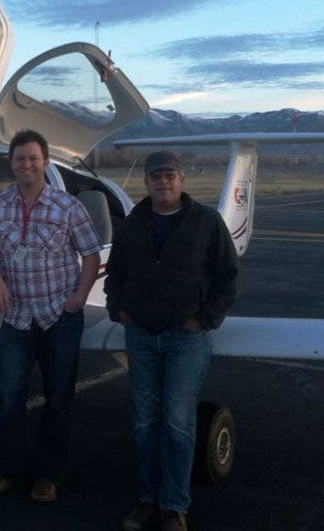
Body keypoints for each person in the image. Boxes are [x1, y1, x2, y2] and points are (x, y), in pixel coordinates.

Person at [104, 151, 238, 531]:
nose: (163, 182)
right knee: (145, 423)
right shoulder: (132, 225)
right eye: (155, 176)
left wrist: (204, 320)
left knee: (178, 422)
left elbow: (228, 276)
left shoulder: (207, 222)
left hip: (186, 337)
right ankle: (148, 499)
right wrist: (118, 310)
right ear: (146, 183)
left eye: (169, 175)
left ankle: (174, 507)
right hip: (142, 336)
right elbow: (116, 273)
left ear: (181, 179)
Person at [0, 129, 102, 503]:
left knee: (58, 400)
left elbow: (91, 255)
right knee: (9, 398)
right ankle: (13, 471)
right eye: (19, 159)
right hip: (17, 319)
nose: (26, 165)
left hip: (59, 316)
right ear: (11, 164)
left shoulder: (67, 207)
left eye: (33, 158)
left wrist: (78, 298)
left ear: (45, 162)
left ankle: (48, 475)